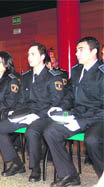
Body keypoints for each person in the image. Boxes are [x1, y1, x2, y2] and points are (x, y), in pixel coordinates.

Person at [0, 43, 65, 179]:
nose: (29, 57)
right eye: (28, 54)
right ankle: (16, 163)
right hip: (27, 113)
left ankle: (35, 168)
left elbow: (57, 103)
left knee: (31, 131)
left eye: (33, 54)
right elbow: (21, 100)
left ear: (42, 56)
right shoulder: (25, 77)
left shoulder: (53, 76)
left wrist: (37, 115)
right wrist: (15, 112)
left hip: (45, 116)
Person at [44, 36, 103, 187]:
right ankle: (69, 174)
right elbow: (69, 94)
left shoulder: (102, 73)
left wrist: (81, 122)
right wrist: (61, 107)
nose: (76, 53)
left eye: (80, 50)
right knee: (51, 131)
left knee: (92, 140)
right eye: (77, 50)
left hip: (98, 118)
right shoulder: (76, 70)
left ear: (94, 51)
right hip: (78, 115)